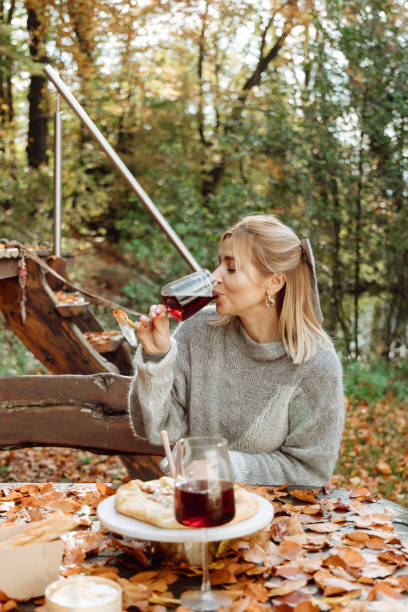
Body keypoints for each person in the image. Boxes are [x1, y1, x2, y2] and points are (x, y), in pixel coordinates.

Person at [128, 214, 344, 486]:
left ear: (274, 282)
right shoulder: (198, 331)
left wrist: (223, 466)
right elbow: (155, 429)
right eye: (219, 264)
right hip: (193, 506)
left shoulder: (315, 364)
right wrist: (156, 359)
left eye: (231, 268)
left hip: (271, 515)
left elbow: (310, 471)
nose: (215, 277)